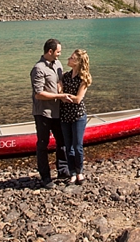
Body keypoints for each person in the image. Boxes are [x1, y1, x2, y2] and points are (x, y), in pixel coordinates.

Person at [31, 38, 71, 188]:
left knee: (62, 142)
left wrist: (61, 88)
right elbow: (38, 94)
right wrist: (59, 96)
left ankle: (63, 170)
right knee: (43, 144)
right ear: (50, 51)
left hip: (57, 111)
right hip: (43, 113)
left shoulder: (58, 64)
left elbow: (59, 81)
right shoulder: (38, 68)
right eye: (58, 52)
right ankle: (45, 177)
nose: (60, 54)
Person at [60, 48, 92, 184]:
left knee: (77, 145)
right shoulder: (65, 76)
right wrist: (64, 96)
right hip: (65, 115)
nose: (68, 59)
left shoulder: (84, 78)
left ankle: (79, 172)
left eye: (71, 57)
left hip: (78, 115)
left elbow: (78, 99)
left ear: (77, 61)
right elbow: (60, 92)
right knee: (68, 146)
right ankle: (72, 172)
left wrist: (64, 96)